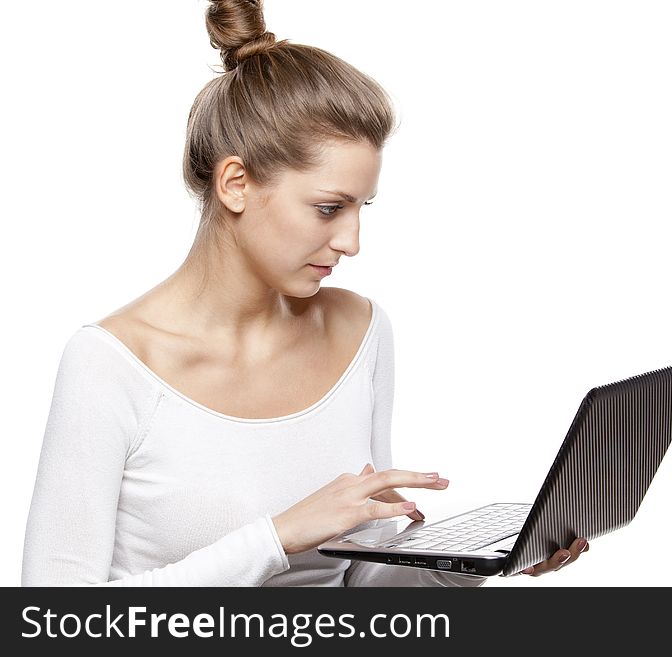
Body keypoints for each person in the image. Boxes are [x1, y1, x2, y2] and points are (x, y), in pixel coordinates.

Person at [21, 0, 589, 586]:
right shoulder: (111, 364)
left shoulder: (361, 330)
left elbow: (361, 581)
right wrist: (276, 537)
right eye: (328, 208)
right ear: (236, 184)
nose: (352, 241)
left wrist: (470, 566)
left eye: (360, 208)